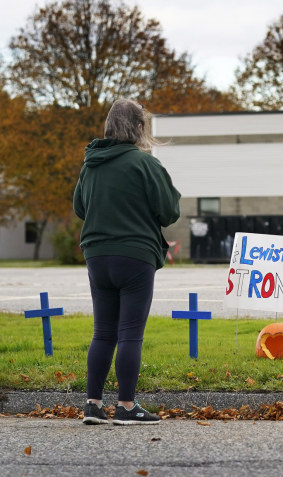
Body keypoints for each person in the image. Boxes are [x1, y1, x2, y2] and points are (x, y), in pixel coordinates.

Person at [73, 98, 181, 425]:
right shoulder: (144, 163)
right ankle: (126, 405)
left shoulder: (90, 164)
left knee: (103, 332)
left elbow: (81, 208)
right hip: (135, 256)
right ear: (138, 128)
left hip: (96, 255)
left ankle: (92, 405)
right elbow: (169, 211)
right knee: (130, 334)